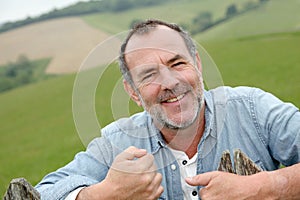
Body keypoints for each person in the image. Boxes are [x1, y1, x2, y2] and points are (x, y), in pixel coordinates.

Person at [35, 19, 300, 200]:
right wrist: (104, 194)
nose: (170, 83)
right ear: (132, 91)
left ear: (197, 63)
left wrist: (262, 188)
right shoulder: (118, 142)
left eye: (177, 64)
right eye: (149, 75)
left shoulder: (252, 109)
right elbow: (40, 192)